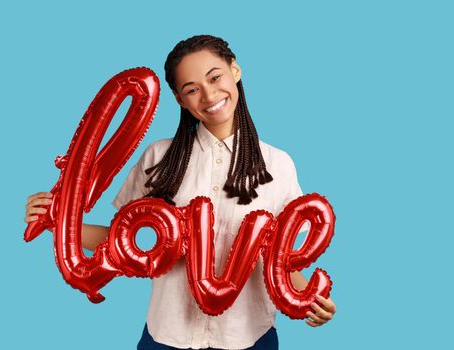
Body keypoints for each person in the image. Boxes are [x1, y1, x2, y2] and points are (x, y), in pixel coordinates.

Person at [24, 34, 336, 349]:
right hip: (166, 336)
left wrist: (310, 298)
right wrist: (61, 223)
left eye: (215, 77)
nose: (209, 94)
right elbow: (122, 240)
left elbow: (278, 257)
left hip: (247, 338)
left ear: (235, 71)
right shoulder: (158, 158)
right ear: (179, 99)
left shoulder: (278, 165)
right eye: (191, 89)